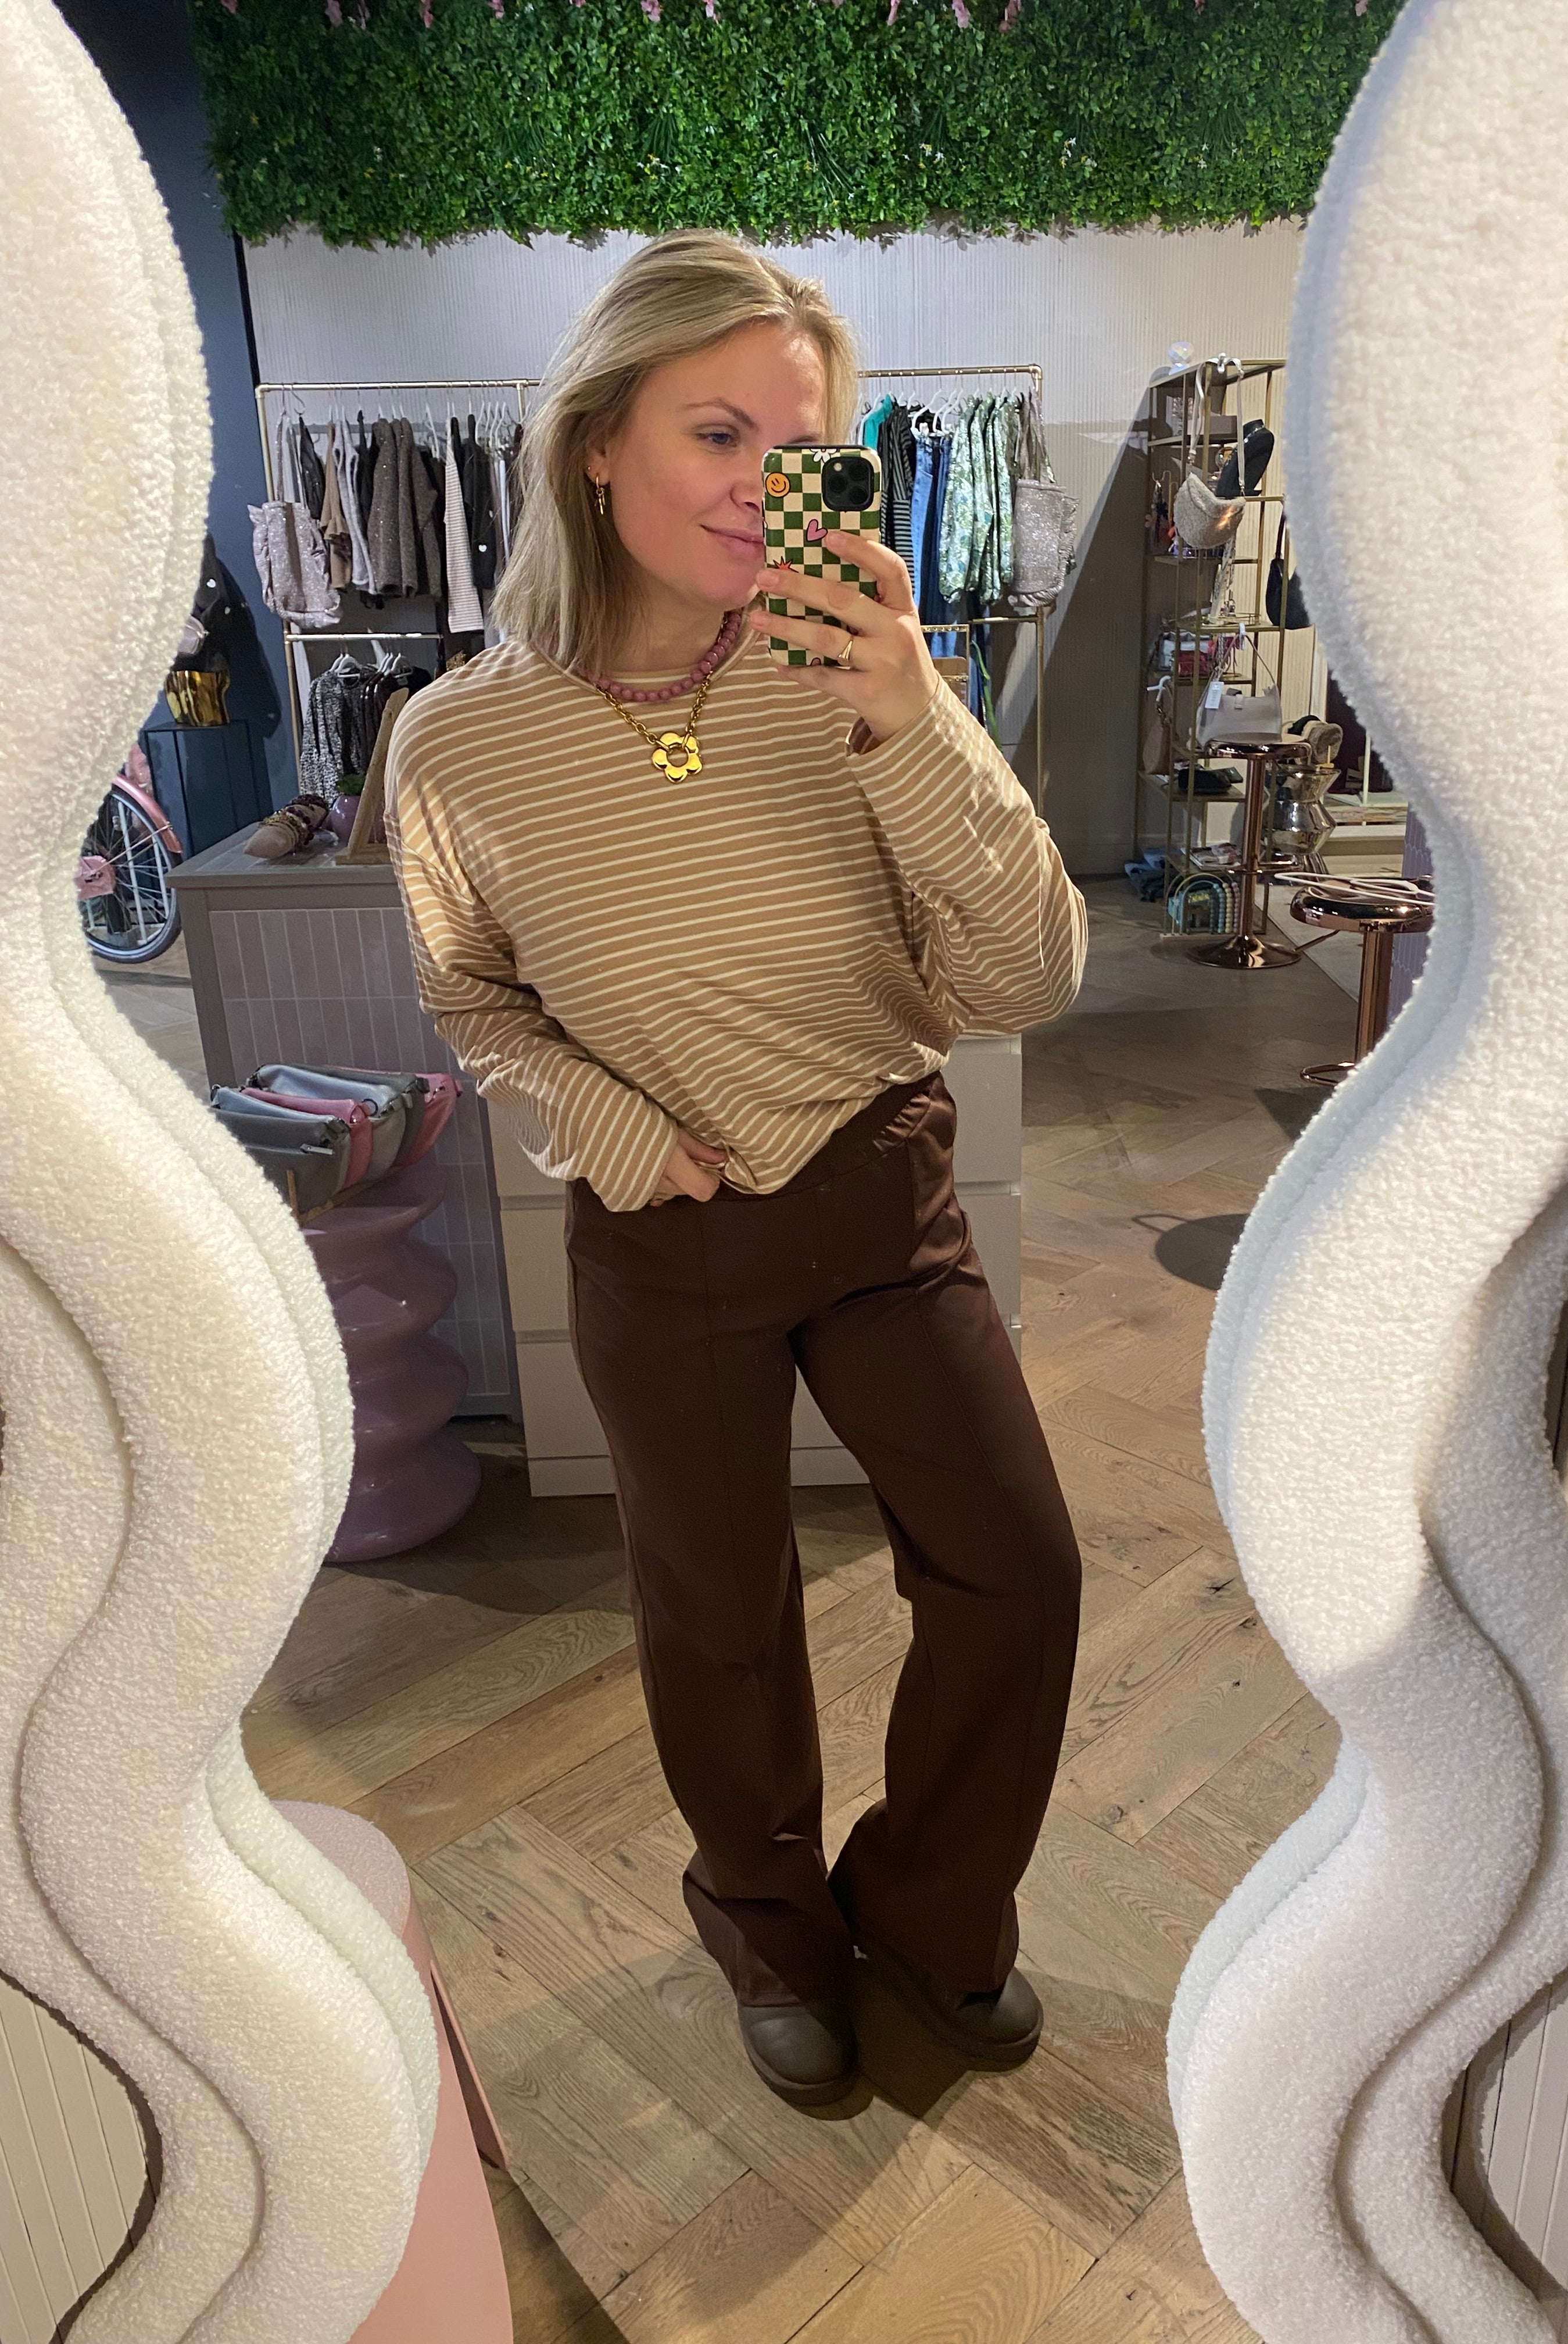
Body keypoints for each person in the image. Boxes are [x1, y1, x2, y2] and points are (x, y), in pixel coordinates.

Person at [384, 230, 1088, 2110]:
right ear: (597, 440)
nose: (763, 486)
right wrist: (620, 1134)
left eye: (804, 450)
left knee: (1017, 1573)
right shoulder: (454, 743)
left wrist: (912, 721)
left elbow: (1028, 977)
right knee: (716, 1617)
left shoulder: (850, 683)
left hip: (879, 1184)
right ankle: (771, 1931)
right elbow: (471, 996)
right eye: (719, 434)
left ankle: (930, 1914)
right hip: (664, 1231)